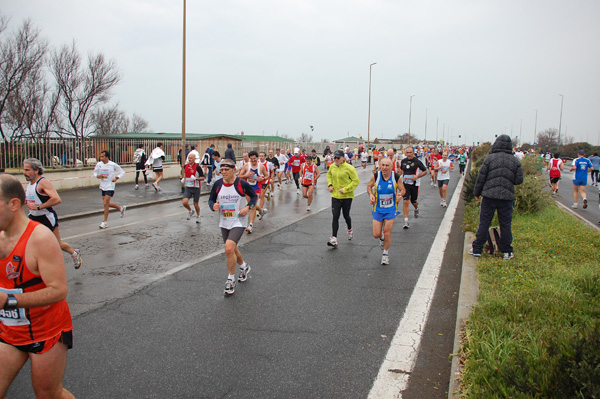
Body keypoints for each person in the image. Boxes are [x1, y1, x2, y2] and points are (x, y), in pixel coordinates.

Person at [0, 174, 75, 399]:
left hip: (47, 331)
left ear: (13, 204)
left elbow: (59, 290)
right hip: (10, 330)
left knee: (49, 394)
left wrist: (9, 301)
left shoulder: (40, 238)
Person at [470, 134, 524, 260]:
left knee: (484, 222)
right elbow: (518, 180)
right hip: (506, 197)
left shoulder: (490, 159)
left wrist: (476, 193)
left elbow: (481, 178)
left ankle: (477, 249)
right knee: (505, 224)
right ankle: (507, 251)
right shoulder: (515, 160)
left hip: (489, 196)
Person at [208, 159, 257, 296]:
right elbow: (211, 199)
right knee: (232, 249)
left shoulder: (241, 184)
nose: (223, 172)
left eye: (226, 170)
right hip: (224, 221)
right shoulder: (217, 184)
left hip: (239, 221)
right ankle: (244, 267)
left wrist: (248, 207)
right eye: (221, 170)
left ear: (233, 170)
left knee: (229, 247)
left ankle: (230, 279)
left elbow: (254, 197)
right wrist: (213, 206)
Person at [22, 158, 82, 269]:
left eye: (27, 170)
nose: (24, 172)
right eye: (24, 169)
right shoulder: (30, 183)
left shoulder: (42, 182)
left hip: (46, 217)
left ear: (36, 170)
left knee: (57, 244)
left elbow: (57, 199)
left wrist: (38, 206)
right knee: (27, 241)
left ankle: (74, 253)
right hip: (33, 217)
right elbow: (34, 198)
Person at [367, 157, 405, 265]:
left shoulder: (395, 177)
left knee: (387, 232)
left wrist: (400, 195)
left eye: (387, 165)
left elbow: (403, 189)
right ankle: (381, 238)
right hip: (378, 209)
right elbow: (369, 186)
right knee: (376, 234)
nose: (384, 167)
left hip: (391, 209)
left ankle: (385, 254)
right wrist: (371, 195)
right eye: (382, 165)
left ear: (391, 167)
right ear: (380, 166)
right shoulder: (376, 176)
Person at [326, 150, 360, 248]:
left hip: (346, 196)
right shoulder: (332, 166)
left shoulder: (350, 168)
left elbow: (355, 181)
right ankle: (334, 238)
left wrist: (345, 189)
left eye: (338, 158)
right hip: (335, 196)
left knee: (346, 215)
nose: (335, 159)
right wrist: (330, 185)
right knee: (335, 216)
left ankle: (349, 229)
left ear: (343, 158)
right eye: (334, 158)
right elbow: (329, 175)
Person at [94, 151, 126, 229]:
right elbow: (95, 173)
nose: (101, 158)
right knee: (106, 203)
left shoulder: (113, 164)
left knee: (105, 203)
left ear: (107, 157)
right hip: (103, 186)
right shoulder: (99, 164)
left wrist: (116, 178)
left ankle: (105, 222)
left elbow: (122, 172)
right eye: (100, 156)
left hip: (110, 186)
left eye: (102, 156)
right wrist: (98, 176)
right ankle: (120, 208)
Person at [238, 151, 268, 233]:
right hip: (247, 188)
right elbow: (240, 176)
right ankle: (262, 211)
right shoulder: (246, 166)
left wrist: (262, 178)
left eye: (254, 158)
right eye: (251, 159)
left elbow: (267, 175)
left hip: (256, 188)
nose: (253, 160)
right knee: (251, 205)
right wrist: (247, 175)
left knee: (253, 206)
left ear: (257, 158)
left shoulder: (261, 166)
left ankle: (250, 225)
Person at [399, 147, 428, 229]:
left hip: (415, 185)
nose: (408, 154)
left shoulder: (417, 162)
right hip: (405, 184)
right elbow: (401, 171)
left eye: (410, 152)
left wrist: (417, 176)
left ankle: (416, 207)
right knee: (405, 201)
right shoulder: (403, 161)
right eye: (407, 152)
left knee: (413, 201)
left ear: (413, 153)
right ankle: (406, 221)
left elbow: (425, 171)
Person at [181, 152, 205, 223]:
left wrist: (196, 179)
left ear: (194, 159)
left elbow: (203, 178)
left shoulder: (198, 167)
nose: (189, 159)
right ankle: (191, 211)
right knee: (184, 202)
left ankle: (198, 216)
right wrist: (183, 179)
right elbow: (186, 174)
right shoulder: (186, 166)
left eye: (191, 158)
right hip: (188, 187)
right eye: (188, 158)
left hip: (196, 187)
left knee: (195, 203)